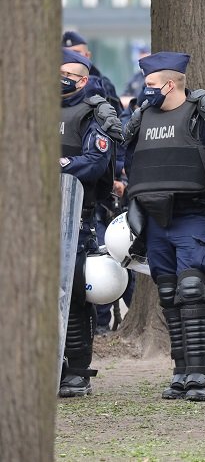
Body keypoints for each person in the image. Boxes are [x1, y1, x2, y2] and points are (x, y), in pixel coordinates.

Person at [123, 51, 205, 402]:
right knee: (170, 295)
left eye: (152, 84)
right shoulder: (142, 119)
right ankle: (181, 371)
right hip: (155, 220)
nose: (147, 90)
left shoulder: (201, 116)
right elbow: (129, 161)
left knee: (192, 289)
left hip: (193, 216)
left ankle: (200, 376)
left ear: (170, 84)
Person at [58, 48, 123, 396]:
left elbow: (95, 161)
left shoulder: (93, 113)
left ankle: (76, 371)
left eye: (67, 73)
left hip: (75, 218)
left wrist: (57, 165)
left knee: (74, 297)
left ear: (83, 79)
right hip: (32, 218)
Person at [62, 31, 122, 112]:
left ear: (87, 55)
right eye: (66, 53)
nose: (71, 56)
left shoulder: (102, 84)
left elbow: (118, 117)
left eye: (76, 52)